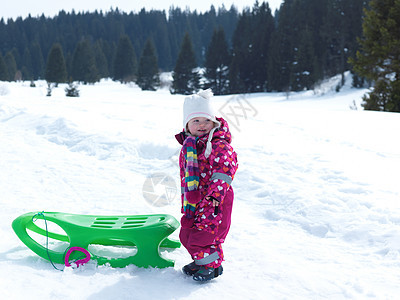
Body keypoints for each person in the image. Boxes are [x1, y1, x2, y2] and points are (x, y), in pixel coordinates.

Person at [175, 89, 238, 281]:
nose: (202, 125)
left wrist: (213, 198)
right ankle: (202, 262)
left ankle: (212, 266)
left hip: (214, 201)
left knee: (203, 237)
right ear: (187, 125)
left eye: (206, 121)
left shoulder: (218, 145)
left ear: (214, 122)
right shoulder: (190, 145)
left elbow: (224, 171)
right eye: (196, 121)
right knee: (187, 235)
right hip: (195, 201)